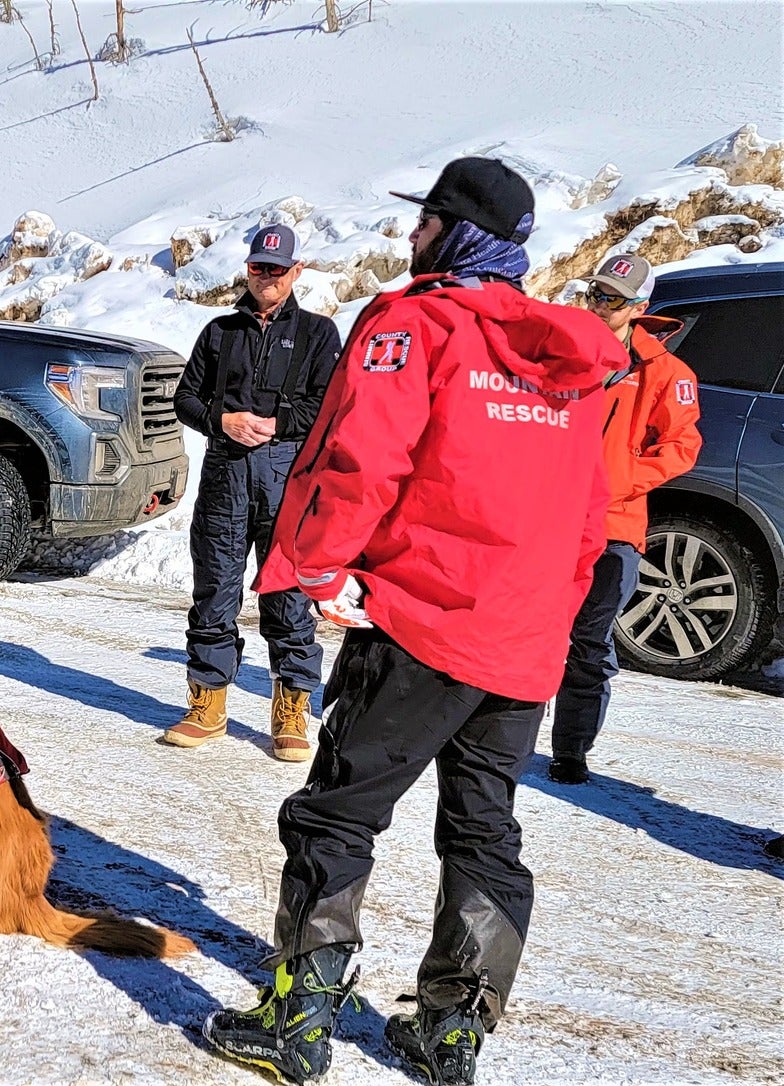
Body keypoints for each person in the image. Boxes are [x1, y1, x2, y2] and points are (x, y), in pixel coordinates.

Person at [201, 158, 625, 1085]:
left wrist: (311, 568)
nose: (411, 234)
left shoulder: (414, 327)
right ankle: (452, 1031)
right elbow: (589, 514)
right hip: (523, 642)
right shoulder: (570, 361)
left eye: (427, 220)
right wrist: (545, 614)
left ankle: (301, 1016)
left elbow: (359, 461)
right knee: (484, 827)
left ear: (457, 233)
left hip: (422, 621)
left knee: (336, 811)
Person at [168, 223, 342, 760]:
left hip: (286, 479)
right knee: (215, 591)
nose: (266, 277)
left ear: (297, 271)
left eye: (277, 268)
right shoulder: (219, 332)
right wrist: (224, 420)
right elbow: (186, 400)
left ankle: (291, 710)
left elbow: (326, 406)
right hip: (226, 475)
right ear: (248, 269)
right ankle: (208, 703)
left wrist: (275, 422)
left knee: (287, 595)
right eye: (257, 267)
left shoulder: (318, 335)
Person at [548, 254, 701, 785]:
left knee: (588, 644)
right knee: (527, 628)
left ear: (639, 307)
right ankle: (498, 733)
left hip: (613, 526)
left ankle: (570, 750)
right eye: (594, 294)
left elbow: (681, 447)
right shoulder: (564, 353)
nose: (598, 305)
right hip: (547, 517)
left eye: (611, 298)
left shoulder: (667, 373)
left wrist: (613, 483)